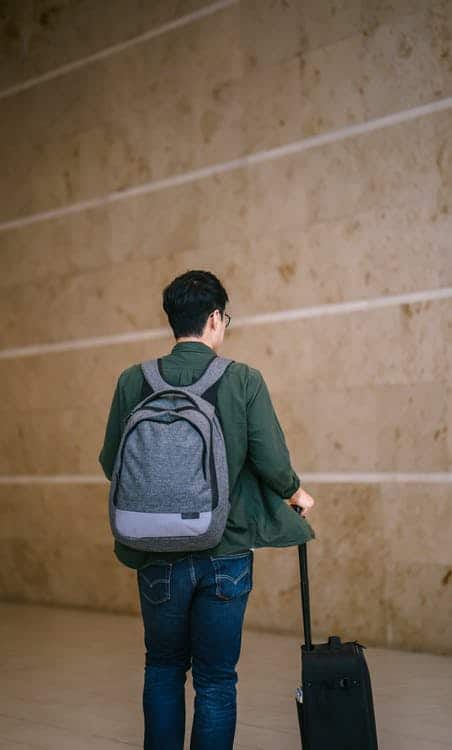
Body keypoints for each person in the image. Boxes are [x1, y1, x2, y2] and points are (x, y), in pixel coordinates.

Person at [99, 269, 316, 750]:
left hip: (155, 554)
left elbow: (109, 461)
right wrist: (296, 493)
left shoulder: (133, 381)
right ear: (216, 319)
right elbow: (273, 462)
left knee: (162, 669)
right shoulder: (243, 380)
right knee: (216, 680)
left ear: (173, 321)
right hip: (226, 551)